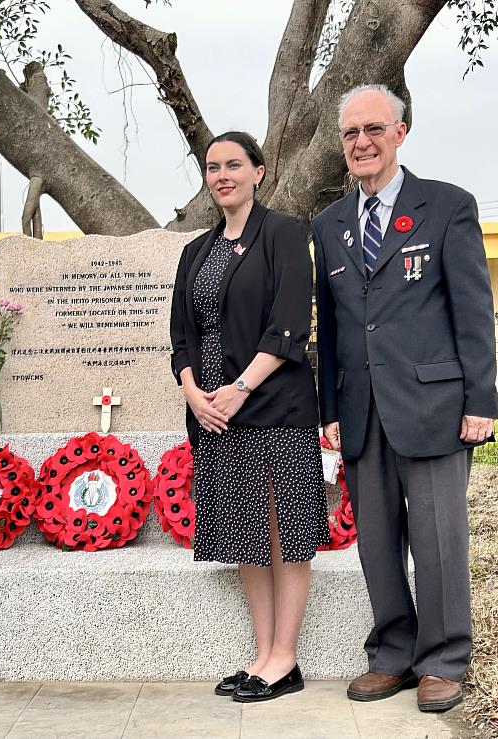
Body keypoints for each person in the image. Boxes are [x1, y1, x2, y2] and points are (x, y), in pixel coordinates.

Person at [312, 84, 498, 713]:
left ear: (401, 131)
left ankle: (445, 659)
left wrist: (482, 402)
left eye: (374, 129)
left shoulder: (447, 207)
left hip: (435, 408)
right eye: (350, 134)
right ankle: (392, 653)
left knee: (439, 537)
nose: (361, 143)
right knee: (377, 540)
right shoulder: (330, 223)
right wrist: (329, 412)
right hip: (362, 411)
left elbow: (472, 312)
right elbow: (334, 329)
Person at [170, 131, 329, 703]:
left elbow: (289, 324)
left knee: (285, 532)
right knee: (246, 537)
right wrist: (193, 391)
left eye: (233, 165)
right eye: (212, 168)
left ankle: (286, 658)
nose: (222, 176)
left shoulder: (284, 234)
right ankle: (263, 655)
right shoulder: (195, 252)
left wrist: (238, 388)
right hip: (213, 417)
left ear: (258, 171)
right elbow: (181, 337)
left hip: (273, 408)